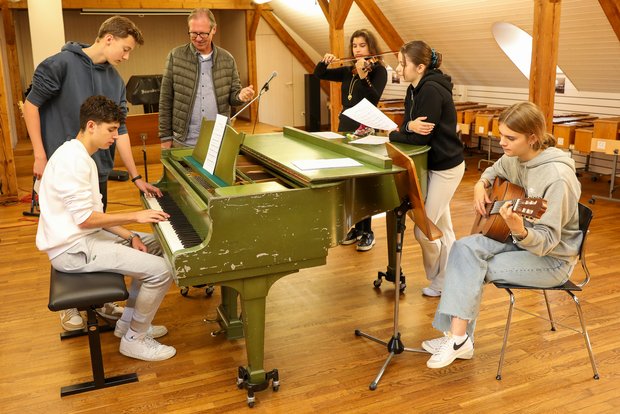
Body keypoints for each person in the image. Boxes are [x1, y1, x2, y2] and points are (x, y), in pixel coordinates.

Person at [23, 15, 162, 331]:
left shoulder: (114, 79)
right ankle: (73, 304)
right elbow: (31, 106)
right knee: (71, 229)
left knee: (95, 226)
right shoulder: (60, 64)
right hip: (62, 161)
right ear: (109, 38)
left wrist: (136, 177)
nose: (126, 57)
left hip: (95, 165)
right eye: (125, 49)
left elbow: (120, 129)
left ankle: (100, 300)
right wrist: (40, 154)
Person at [422, 101, 582, 369]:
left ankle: (458, 339)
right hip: (520, 244)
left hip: (552, 259)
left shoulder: (558, 178)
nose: (502, 143)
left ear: (532, 138)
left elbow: (546, 242)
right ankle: (457, 337)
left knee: (471, 265)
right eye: (501, 135)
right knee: (462, 248)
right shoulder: (516, 158)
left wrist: (519, 229)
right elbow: (493, 170)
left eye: (510, 138)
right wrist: (480, 185)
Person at [36, 95, 176, 362]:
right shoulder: (73, 161)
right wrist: (136, 216)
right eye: (111, 129)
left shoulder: (80, 155)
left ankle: (128, 324)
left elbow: (95, 217)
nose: (115, 136)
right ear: (91, 125)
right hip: (72, 250)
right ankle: (135, 340)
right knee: (161, 271)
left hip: (85, 237)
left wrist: (131, 235)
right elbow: (86, 220)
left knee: (157, 245)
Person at [388, 40, 465, 296]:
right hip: (432, 165)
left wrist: (394, 134)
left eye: (402, 64)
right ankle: (450, 279)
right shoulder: (413, 89)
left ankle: (441, 278)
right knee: (444, 229)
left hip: (446, 167)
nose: (398, 69)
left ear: (420, 67)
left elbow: (419, 139)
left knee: (424, 229)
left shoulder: (431, 90)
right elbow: (409, 126)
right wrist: (407, 127)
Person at [314, 29, 388, 252]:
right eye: (355, 46)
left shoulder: (379, 71)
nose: (357, 50)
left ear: (371, 47)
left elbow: (373, 98)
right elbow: (319, 74)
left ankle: (368, 231)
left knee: (363, 181)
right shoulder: (348, 71)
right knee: (349, 180)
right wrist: (324, 61)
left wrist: (364, 75)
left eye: (362, 45)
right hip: (345, 126)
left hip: (365, 128)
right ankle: (355, 228)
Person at [159, 8, 255, 148]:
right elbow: (165, 99)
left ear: (214, 29)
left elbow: (232, 98)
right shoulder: (175, 56)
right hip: (183, 141)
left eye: (203, 33)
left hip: (218, 141)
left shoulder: (227, 59)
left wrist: (240, 96)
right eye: (193, 33)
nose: (198, 38)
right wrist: (165, 137)